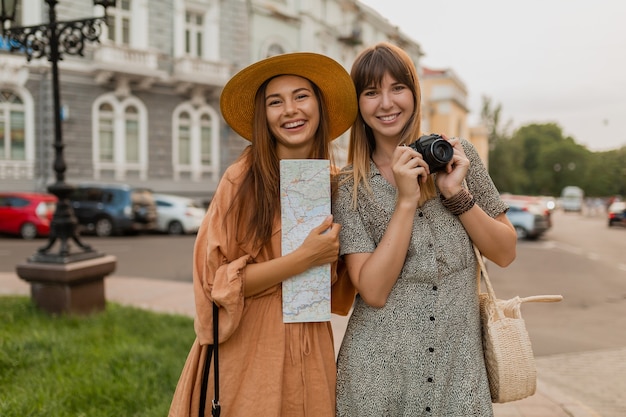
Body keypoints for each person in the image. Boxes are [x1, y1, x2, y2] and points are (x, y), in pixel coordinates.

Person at [332, 42, 517, 416]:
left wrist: (456, 194)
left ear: (415, 93)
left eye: (397, 87)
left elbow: (505, 252)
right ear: (358, 105)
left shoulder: (459, 156)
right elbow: (373, 291)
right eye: (371, 92)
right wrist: (404, 201)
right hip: (378, 379)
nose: (386, 103)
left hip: (458, 373)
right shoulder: (350, 187)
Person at [169, 52, 358, 417]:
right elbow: (217, 286)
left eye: (301, 96)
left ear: (319, 105)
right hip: (252, 348)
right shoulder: (241, 180)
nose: (290, 110)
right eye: (276, 101)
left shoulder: (335, 185)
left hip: (311, 344)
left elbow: (339, 286)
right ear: (263, 116)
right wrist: (304, 257)